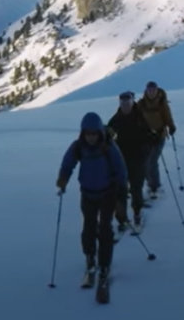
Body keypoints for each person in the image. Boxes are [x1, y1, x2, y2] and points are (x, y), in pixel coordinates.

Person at [56, 112, 128, 282]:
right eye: (87, 134)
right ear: (83, 133)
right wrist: (63, 180)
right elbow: (68, 163)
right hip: (87, 193)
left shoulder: (108, 147)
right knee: (88, 228)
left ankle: (104, 263)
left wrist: (121, 194)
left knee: (105, 229)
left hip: (107, 194)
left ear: (99, 133)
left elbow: (120, 170)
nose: (91, 137)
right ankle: (89, 256)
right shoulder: (78, 146)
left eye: (94, 133)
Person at [107, 91, 151, 229]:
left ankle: (137, 213)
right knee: (121, 189)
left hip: (138, 159)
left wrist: (148, 144)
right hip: (121, 160)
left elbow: (148, 135)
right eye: (123, 103)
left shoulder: (141, 117)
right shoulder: (115, 120)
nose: (125, 106)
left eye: (128, 103)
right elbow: (108, 138)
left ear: (132, 102)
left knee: (136, 187)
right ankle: (122, 218)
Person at [139, 81, 176, 198]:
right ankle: (150, 184)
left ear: (157, 90)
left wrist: (171, 127)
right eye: (149, 90)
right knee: (145, 161)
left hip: (160, 136)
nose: (151, 92)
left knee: (152, 161)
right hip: (146, 137)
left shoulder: (162, 103)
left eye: (153, 90)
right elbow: (137, 118)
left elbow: (167, 117)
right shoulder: (141, 103)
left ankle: (155, 186)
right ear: (146, 91)